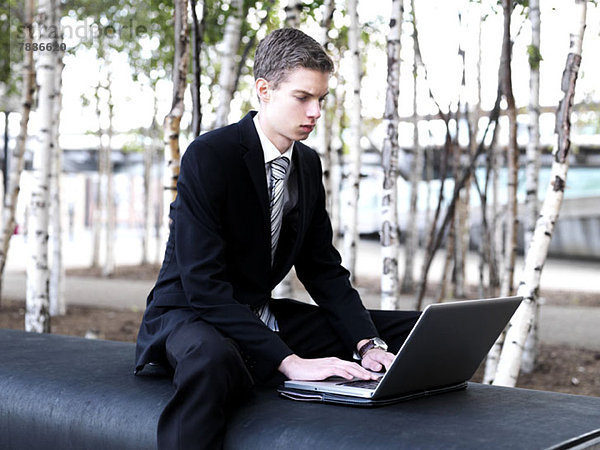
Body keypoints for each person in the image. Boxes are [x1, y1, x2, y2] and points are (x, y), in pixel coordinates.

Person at [135, 27, 420, 449]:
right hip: (192, 314)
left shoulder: (306, 164)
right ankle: (261, 365)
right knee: (211, 359)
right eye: (303, 98)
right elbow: (203, 286)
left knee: (409, 331)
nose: (316, 112)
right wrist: (289, 362)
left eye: (321, 99)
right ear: (264, 90)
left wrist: (368, 344)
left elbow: (322, 268)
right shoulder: (211, 155)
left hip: (259, 313)